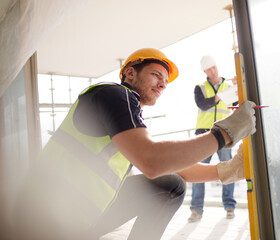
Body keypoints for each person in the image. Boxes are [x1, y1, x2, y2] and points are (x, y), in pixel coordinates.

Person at [13, 48, 256, 240]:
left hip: (77, 216)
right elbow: (152, 161)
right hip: (46, 217)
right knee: (170, 183)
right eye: (156, 75)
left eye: (165, 81)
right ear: (130, 73)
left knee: (171, 183)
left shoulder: (128, 121)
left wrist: (228, 171)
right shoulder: (114, 95)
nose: (162, 84)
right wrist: (224, 134)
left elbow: (174, 167)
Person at [188, 55, 239, 223]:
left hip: (224, 134)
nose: (213, 71)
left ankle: (230, 206)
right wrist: (219, 96)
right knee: (198, 172)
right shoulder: (200, 87)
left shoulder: (229, 86)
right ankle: (196, 210)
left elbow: (237, 102)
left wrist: (239, 84)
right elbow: (202, 104)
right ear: (205, 71)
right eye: (209, 69)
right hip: (204, 135)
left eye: (214, 67)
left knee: (228, 169)